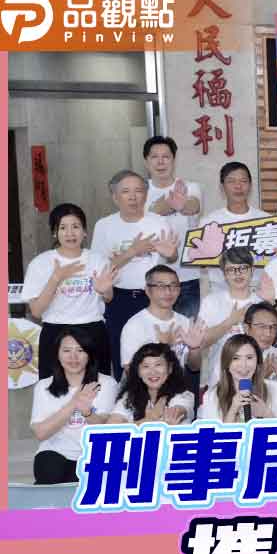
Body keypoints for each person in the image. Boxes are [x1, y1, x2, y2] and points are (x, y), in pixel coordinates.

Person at [91, 169, 179, 381]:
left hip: (155, 298)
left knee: (160, 355)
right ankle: (127, 398)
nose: (133, 196)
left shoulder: (158, 222)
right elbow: (100, 270)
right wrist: (132, 252)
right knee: (123, 358)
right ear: (115, 197)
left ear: (146, 195)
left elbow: (171, 258)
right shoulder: (104, 225)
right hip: (118, 299)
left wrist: (172, 254)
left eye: (138, 191)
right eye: (126, 191)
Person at [22, 203, 117, 379]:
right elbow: (36, 311)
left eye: (75, 226)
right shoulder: (40, 263)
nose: (70, 233)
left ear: (85, 231)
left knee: (97, 385)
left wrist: (105, 291)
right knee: (54, 387)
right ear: (54, 233)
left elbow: (108, 298)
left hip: (92, 329)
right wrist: (56, 278)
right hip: (55, 331)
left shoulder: (98, 260)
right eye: (63, 228)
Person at [29, 330, 118, 484]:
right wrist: (74, 403)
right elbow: (41, 433)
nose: (73, 357)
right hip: (55, 453)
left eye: (80, 350)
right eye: (67, 351)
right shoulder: (44, 386)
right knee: (50, 470)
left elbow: (107, 430)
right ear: (57, 354)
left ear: (89, 354)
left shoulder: (106, 383)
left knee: (91, 476)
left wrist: (87, 413)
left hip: (93, 454)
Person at [142, 136, 202, 319]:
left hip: (186, 277)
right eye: (154, 157)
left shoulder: (190, 187)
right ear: (146, 161)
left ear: (174, 160)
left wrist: (181, 203)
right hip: (151, 280)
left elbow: (193, 206)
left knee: (187, 331)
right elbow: (148, 214)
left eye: (166, 157)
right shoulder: (140, 191)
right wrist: (169, 203)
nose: (160, 162)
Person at [196, 247, 267, 386]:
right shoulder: (211, 301)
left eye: (243, 268)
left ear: (252, 270)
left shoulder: (260, 303)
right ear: (224, 274)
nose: (237, 273)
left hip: (254, 380)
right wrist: (230, 322)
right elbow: (201, 342)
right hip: (219, 380)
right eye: (231, 269)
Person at [119, 265, 204, 375]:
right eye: (161, 286)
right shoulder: (134, 325)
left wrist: (194, 348)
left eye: (173, 286)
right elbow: (130, 371)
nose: (168, 292)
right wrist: (162, 347)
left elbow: (195, 367)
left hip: (177, 384)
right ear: (147, 290)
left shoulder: (185, 322)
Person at [199, 161, 270, 292]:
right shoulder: (209, 222)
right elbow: (201, 263)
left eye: (243, 181)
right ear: (222, 187)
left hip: (257, 292)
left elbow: (274, 260)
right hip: (221, 291)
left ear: (250, 186)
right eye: (231, 181)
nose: (238, 186)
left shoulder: (267, 221)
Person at [198, 334, 277, 421]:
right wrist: (233, 410)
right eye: (236, 358)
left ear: (257, 361)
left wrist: (266, 413)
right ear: (226, 363)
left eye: (249, 358)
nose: (243, 365)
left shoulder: (275, 389)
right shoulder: (212, 396)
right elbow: (213, 434)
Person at [209, 301, 277, 393]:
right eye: (261, 326)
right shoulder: (230, 353)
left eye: (273, 327)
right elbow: (221, 393)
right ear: (246, 328)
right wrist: (261, 377)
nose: (268, 333)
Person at [113, 343, 194, 425]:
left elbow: (175, 414)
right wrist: (149, 419)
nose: (152, 372)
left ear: (170, 368)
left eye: (158, 365)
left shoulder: (182, 395)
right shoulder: (129, 397)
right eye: (146, 366)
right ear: (138, 372)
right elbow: (112, 426)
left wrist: (139, 423)